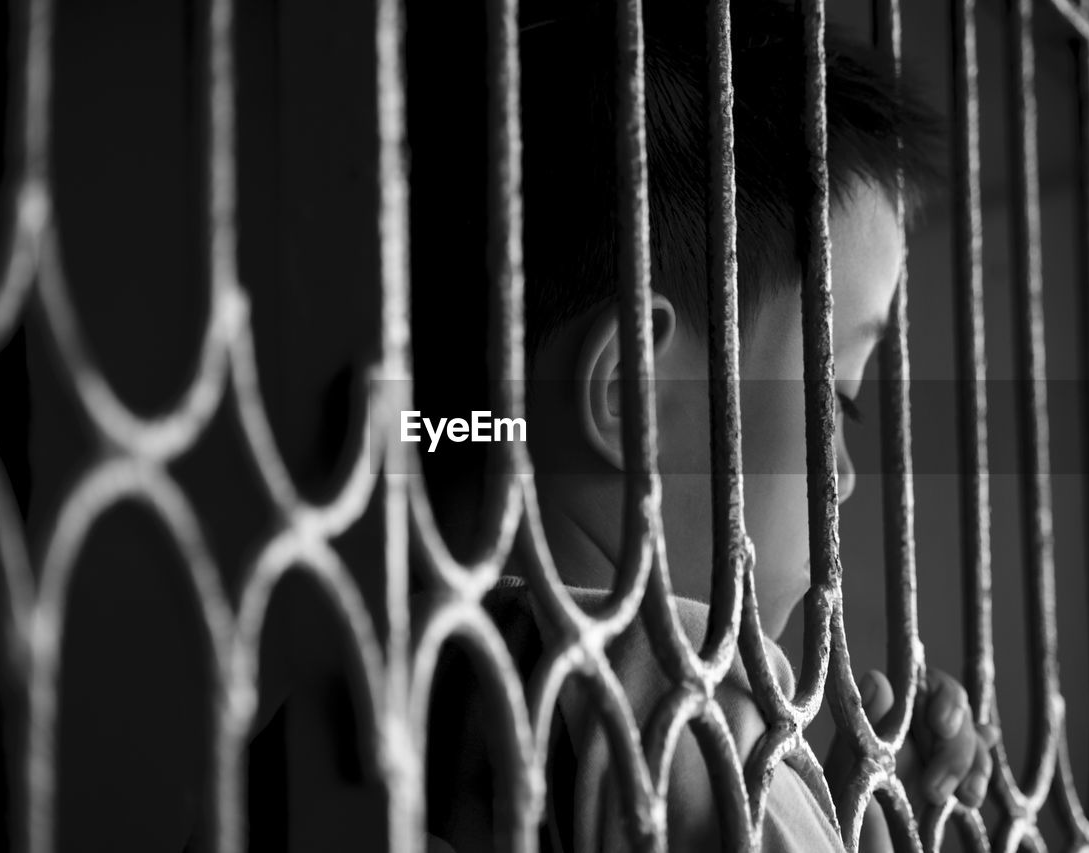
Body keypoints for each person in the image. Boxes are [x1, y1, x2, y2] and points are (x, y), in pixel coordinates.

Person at [408, 0, 999, 851]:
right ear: (635, 394)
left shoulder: (364, 681)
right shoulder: (685, 703)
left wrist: (838, 804)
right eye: (837, 397)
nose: (847, 475)